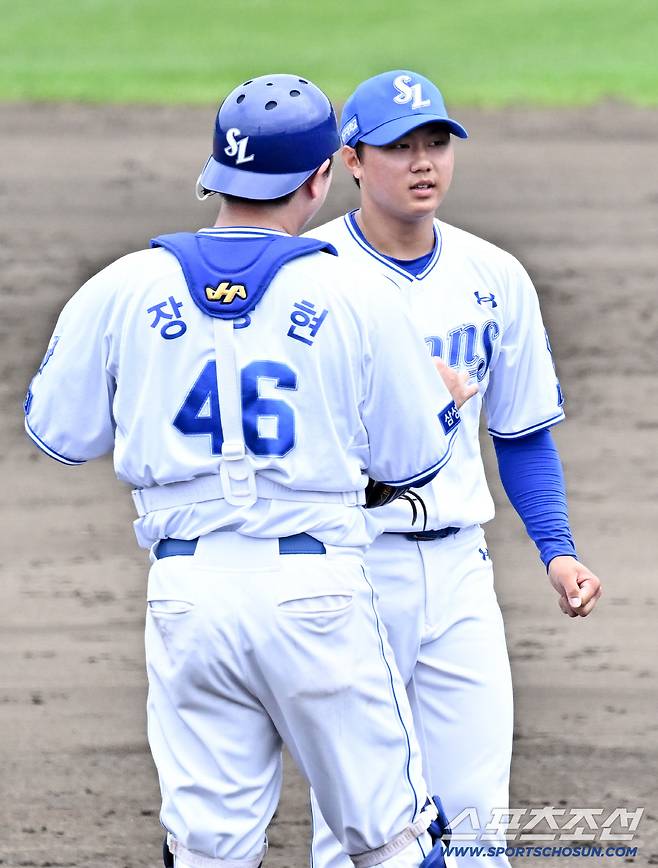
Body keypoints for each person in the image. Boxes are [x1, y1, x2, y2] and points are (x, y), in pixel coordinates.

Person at [23, 73, 467, 868]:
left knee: (209, 851)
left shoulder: (122, 286)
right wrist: (438, 396)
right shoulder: (354, 289)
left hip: (187, 598)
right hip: (318, 597)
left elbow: (60, 432)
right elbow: (414, 460)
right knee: (394, 841)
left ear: (217, 174)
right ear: (319, 178)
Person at [306, 70, 603, 867]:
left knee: (475, 826)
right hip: (348, 567)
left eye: (435, 142)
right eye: (399, 146)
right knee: (360, 827)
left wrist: (557, 549)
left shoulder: (494, 276)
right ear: (355, 161)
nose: (423, 161)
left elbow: (522, 432)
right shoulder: (308, 273)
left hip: (459, 570)